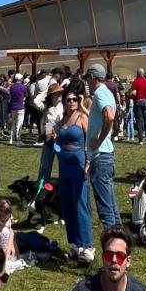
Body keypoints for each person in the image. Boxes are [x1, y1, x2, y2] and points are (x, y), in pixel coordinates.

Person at [57, 86, 94, 263]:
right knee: (68, 204)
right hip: (63, 165)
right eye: (68, 100)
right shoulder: (61, 121)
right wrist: (53, 144)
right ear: (64, 102)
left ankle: (87, 246)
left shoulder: (82, 118)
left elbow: (90, 142)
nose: (71, 102)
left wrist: (88, 162)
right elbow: (57, 147)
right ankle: (75, 244)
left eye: (74, 100)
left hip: (79, 163)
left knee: (81, 203)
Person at [85, 64, 121, 228]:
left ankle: (112, 244)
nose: (87, 82)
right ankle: (119, 237)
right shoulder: (107, 92)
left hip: (101, 156)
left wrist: (98, 140)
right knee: (111, 204)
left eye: (87, 78)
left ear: (92, 77)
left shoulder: (99, 93)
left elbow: (109, 115)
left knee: (105, 208)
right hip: (106, 155)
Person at [38, 83, 64, 183]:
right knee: (44, 167)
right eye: (56, 94)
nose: (59, 95)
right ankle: (41, 189)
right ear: (51, 96)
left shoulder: (65, 108)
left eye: (60, 93)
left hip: (61, 141)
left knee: (63, 166)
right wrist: (48, 134)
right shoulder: (47, 109)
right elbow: (46, 125)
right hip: (49, 142)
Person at [128, 67, 146, 144]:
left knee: (139, 120)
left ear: (137, 74)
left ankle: (141, 139)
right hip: (145, 102)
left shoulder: (135, 82)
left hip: (138, 102)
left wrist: (131, 95)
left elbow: (132, 93)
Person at [8, 74, 27, 145]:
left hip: (13, 106)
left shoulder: (12, 87)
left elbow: (10, 95)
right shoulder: (23, 87)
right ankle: (18, 139)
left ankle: (11, 138)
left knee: (14, 123)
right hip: (20, 106)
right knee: (19, 124)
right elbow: (26, 95)